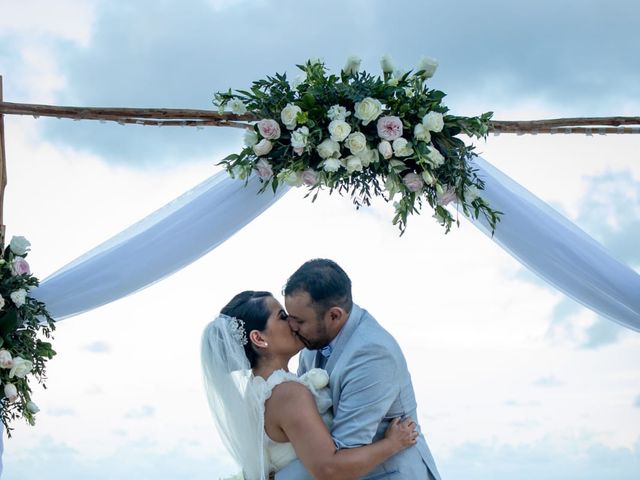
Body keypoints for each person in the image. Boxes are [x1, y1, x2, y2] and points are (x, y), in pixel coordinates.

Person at [201, 290, 418, 480]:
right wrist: (393, 444)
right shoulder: (288, 394)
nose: (293, 323)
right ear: (259, 339)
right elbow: (329, 469)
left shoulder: (256, 390)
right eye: (282, 317)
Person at [277, 259, 441, 480]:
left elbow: (340, 457)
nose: (292, 328)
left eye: (299, 321)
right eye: (289, 318)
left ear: (334, 315)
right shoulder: (313, 341)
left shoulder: (372, 354)